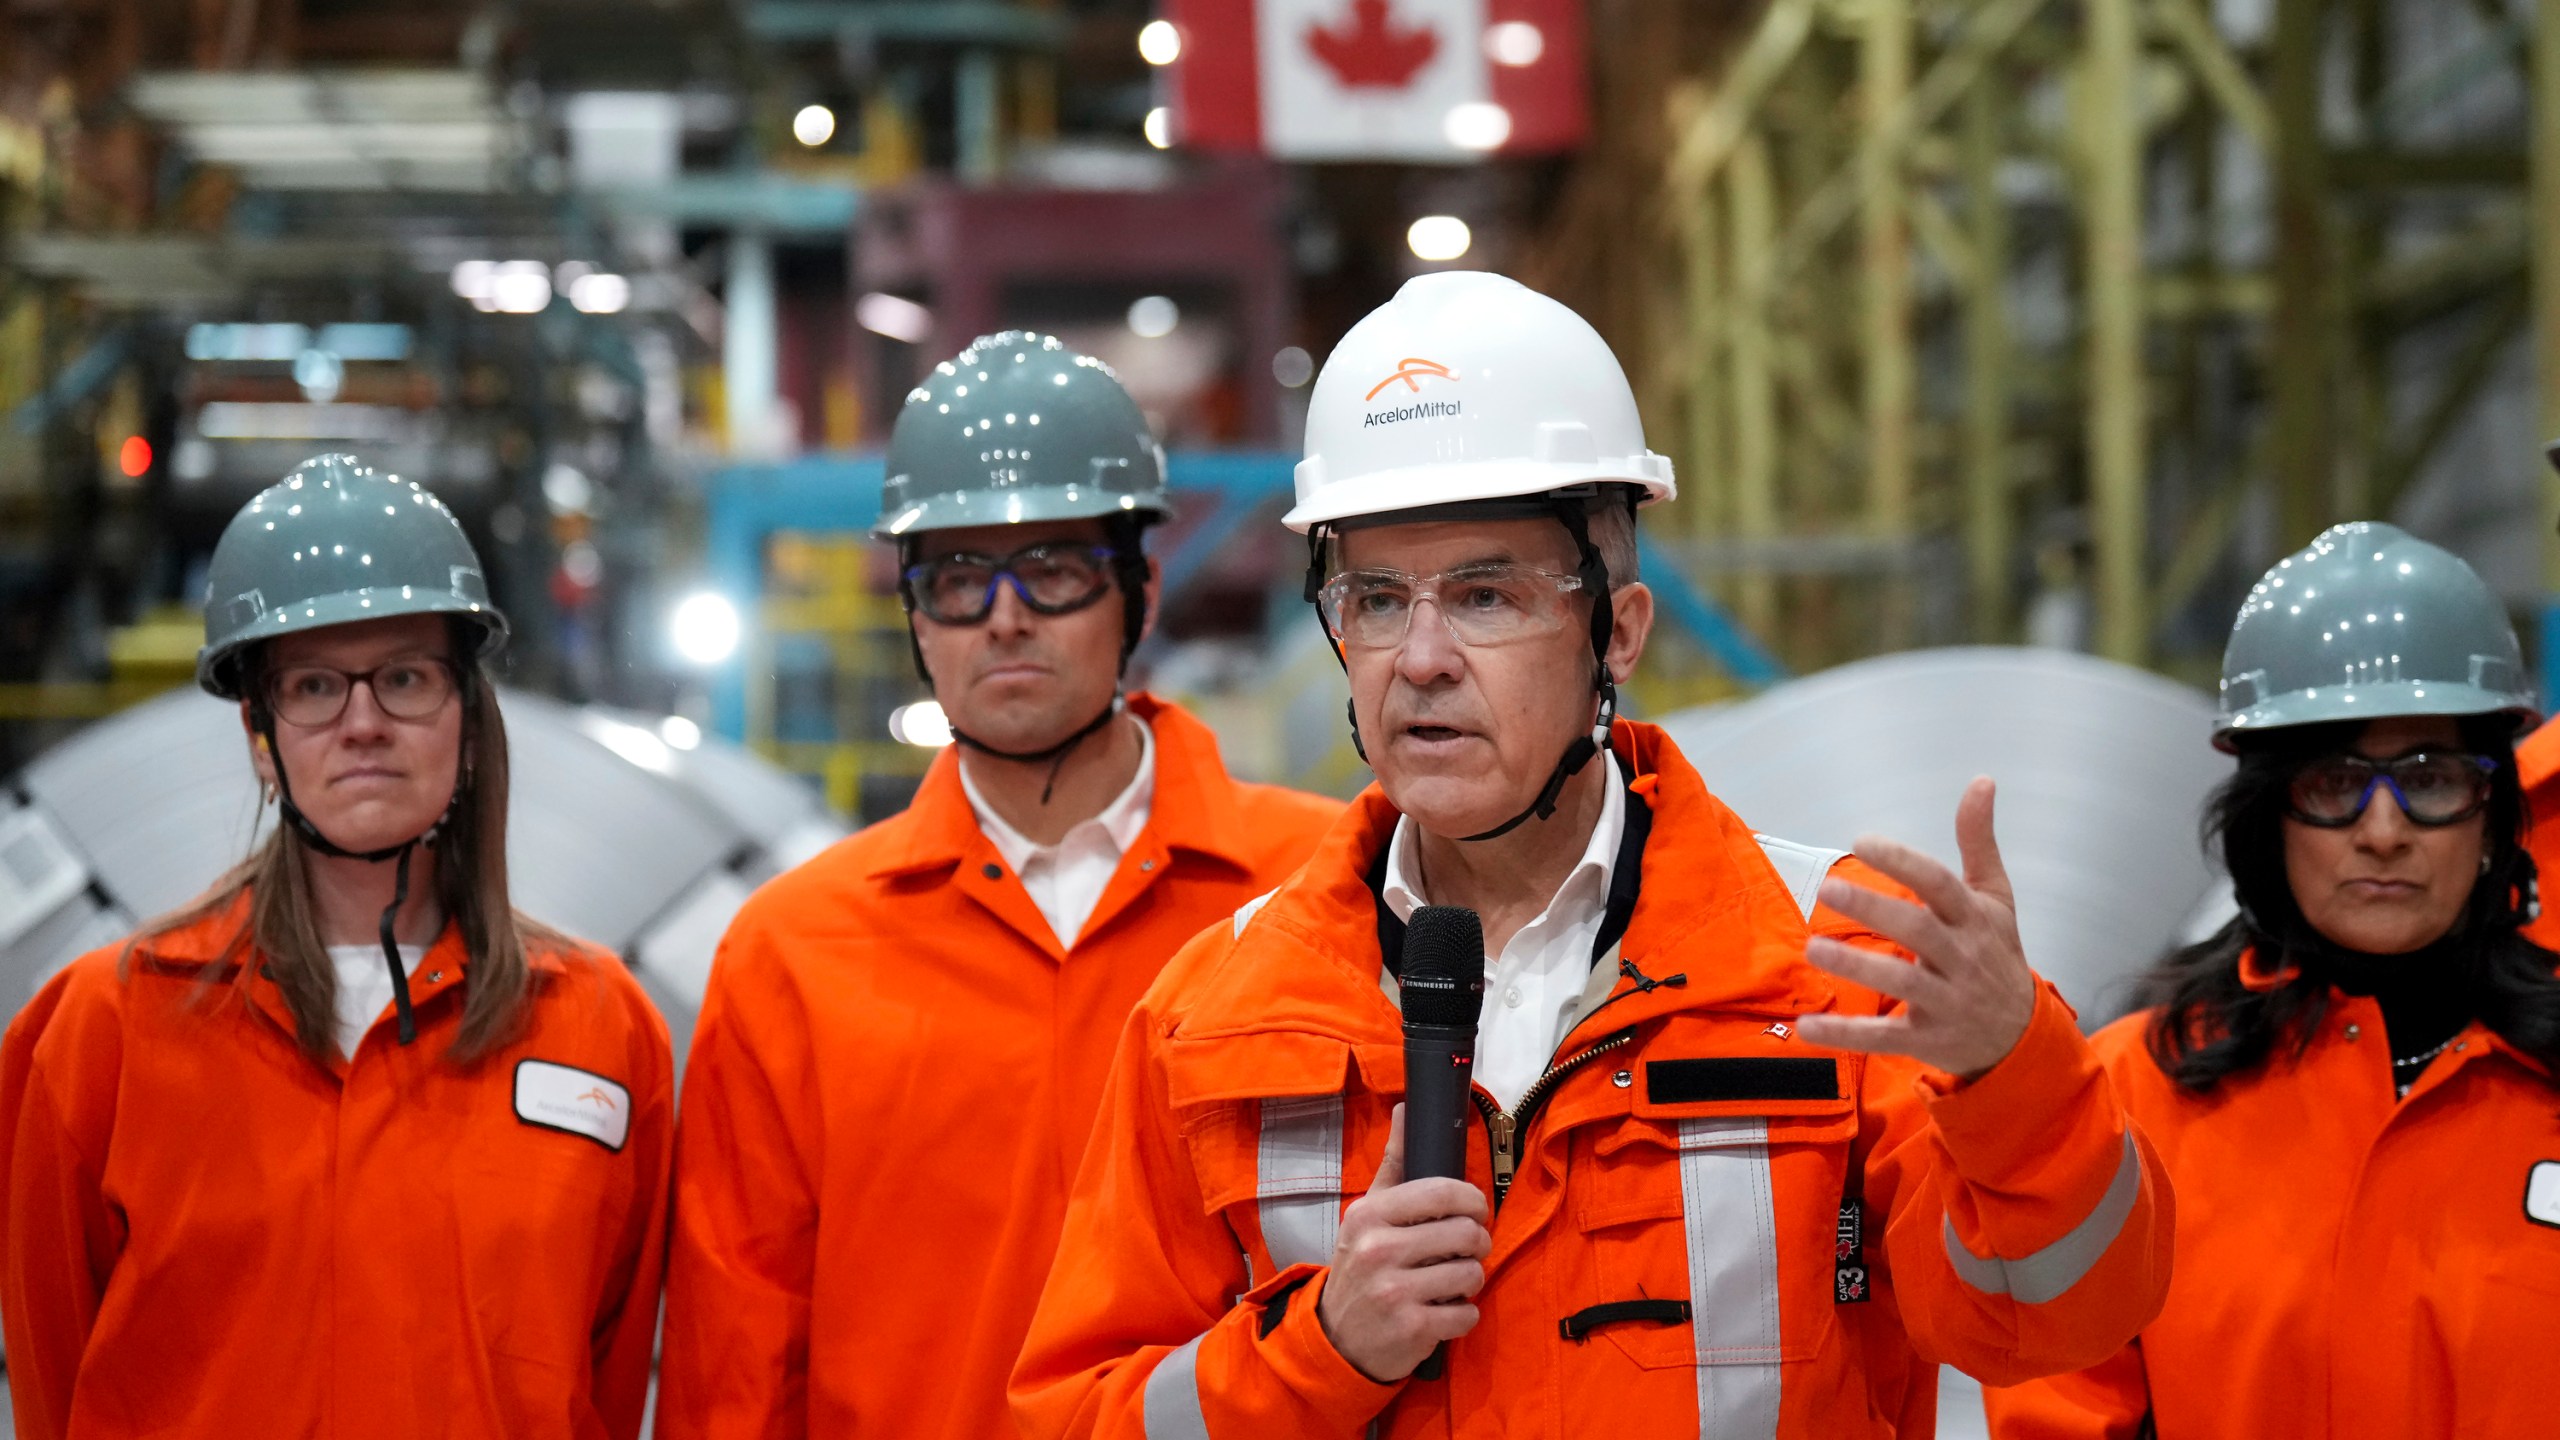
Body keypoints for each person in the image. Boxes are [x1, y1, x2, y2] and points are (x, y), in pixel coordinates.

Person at [1009, 272, 2172, 1440]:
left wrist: (2012, 1077)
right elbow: (1078, 1420)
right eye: (1373, 598)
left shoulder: (1839, 965)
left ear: (1616, 632)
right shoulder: (1214, 1017)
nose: (1419, 659)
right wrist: (1320, 1350)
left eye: (1483, 595)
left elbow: (2050, 1324)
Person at [655, 332, 1341, 1440]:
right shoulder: (794, 951)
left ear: (1142, 591)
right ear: (914, 615)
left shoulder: (1325, 892)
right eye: (961, 578)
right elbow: (735, 1369)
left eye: (1056, 570)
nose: (1006, 617)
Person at [0, 453, 673, 1440]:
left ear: (468, 721)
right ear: (259, 735)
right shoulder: (106, 1028)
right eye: (314, 686)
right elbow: (56, 1384)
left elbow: (607, 1389)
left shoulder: (599, 1028)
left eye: (404, 677)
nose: (363, 724)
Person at [1984, 521, 2560, 1439]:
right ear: (2267, 819)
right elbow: (2059, 1407)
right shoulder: (2132, 1100)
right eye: (2334, 784)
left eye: (2431, 777)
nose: (2384, 830)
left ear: (2492, 812)